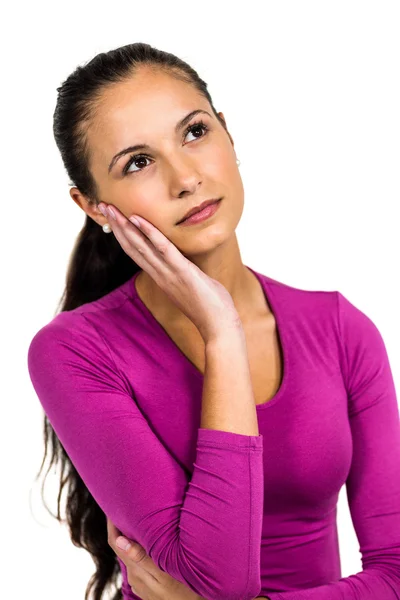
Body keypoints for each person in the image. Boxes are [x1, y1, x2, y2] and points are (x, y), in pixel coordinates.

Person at [27, 42, 400, 600]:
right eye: (138, 162)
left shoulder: (340, 329)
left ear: (228, 133)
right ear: (92, 207)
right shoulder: (77, 351)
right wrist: (221, 334)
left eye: (195, 132)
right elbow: (221, 582)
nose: (185, 178)